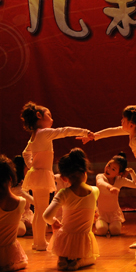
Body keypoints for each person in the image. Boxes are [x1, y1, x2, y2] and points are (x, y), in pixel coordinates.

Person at [85, 104, 136, 246]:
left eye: (123, 120)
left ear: (131, 124)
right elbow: (114, 131)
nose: (121, 122)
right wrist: (95, 136)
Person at [21, 102, 91, 251]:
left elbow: (25, 153)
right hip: (41, 175)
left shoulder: (34, 136)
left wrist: (32, 164)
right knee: (41, 210)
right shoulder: (43, 133)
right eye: (49, 115)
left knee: (39, 210)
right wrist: (85, 132)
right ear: (39, 116)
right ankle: (40, 242)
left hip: (37, 174)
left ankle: (37, 242)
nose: (52, 119)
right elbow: (64, 131)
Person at [43, 148, 99, 271]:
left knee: (62, 233)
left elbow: (46, 216)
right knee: (93, 258)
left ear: (63, 178)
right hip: (83, 242)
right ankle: (79, 262)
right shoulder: (95, 191)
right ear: (85, 172)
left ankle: (63, 259)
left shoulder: (63, 193)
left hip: (65, 241)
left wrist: (53, 222)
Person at [94, 152, 136, 237]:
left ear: (119, 173)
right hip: (101, 214)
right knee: (101, 230)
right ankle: (101, 226)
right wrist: (110, 187)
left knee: (115, 231)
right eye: (108, 165)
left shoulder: (120, 180)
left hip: (114, 214)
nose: (108, 169)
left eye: (113, 169)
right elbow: (100, 183)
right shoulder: (100, 176)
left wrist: (132, 172)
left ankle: (110, 227)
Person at [12, 155, 33, 237]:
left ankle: (27, 229)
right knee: (21, 230)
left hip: (26, 214)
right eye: (27, 168)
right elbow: (33, 201)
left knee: (41, 227)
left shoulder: (23, 183)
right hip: (17, 216)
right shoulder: (16, 189)